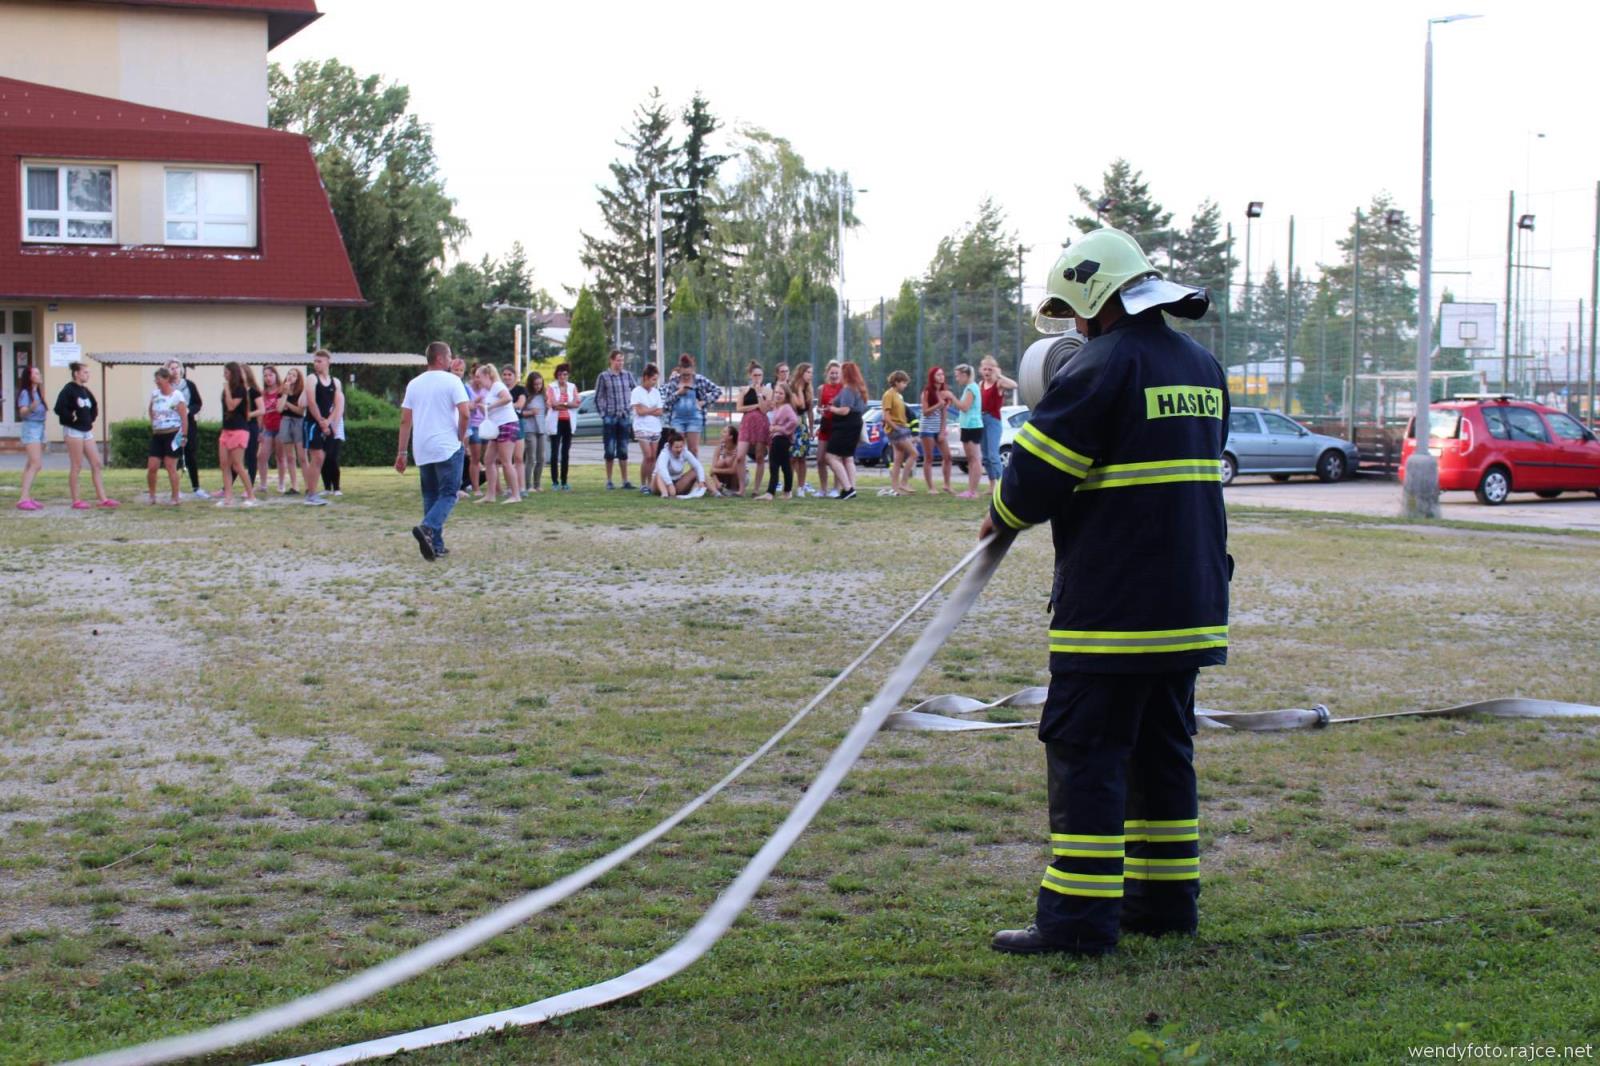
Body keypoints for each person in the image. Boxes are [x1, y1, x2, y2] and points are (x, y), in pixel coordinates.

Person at [981, 226, 1228, 958]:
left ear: (1095, 295)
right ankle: (1164, 904)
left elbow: (1032, 481)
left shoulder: (1100, 368)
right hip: (1188, 606)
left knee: (1087, 754)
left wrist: (996, 515)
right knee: (1163, 754)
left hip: (1114, 610)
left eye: (1075, 311)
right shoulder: (1202, 366)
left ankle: (1078, 923)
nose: (1075, 328)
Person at [397, 341, 471, 561]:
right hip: (447, 445)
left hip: (422, 447)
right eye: (449, 356)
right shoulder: (452, 381)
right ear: (440, 358)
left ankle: (435, 544)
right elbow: (465, 413)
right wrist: (461, 435)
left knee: (430, 494)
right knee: (449, 494)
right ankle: (428, 528)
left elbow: (404, 420)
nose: (451, 360)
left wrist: (401, 452)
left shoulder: (414, 384)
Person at [53, 362, 118, 510]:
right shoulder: (68, 389)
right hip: (73, 431)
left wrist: (90, 418)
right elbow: (59, 408)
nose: (88, 375)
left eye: (88, 372)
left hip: (86, 430)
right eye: (85, 372)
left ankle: (103, 498)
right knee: (77, 465)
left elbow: (93, 406)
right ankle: (76, 500)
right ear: (76, 373)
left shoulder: (85, 391)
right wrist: (71, 417)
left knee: (96, 463)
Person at [474, 363, 521, 503]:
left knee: (506, 461)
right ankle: (490, 495)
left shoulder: (497, 386)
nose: (477, 379)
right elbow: (491, 411)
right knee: (488, 459)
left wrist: (489, 407)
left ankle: (515, 495)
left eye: (479, 376)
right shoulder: (489, 391)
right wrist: (484, 409)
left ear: (487, 375)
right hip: (497, 427)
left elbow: (508, 398)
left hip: (508, 424)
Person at [217, 361, 260, 507]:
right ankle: (228, 497)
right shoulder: (228, 389)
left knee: (237, 465)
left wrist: (227, 389)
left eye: (227, 372)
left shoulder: (241, 389)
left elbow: (231, 406)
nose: (224, 374)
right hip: (226, 429)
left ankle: (251, 495)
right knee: (224, 464)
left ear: (233, 373)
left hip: (239, 430)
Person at [659, 353, 721, 456]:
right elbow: (666, 404)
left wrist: (704, 402)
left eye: (688, 375)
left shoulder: (700, 380)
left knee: (693, 450)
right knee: (678, 449)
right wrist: (678, 393)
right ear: (680, 371)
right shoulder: (674, 381)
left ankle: (695, 471)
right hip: (677, 419)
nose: (686, 377)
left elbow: (717, 391)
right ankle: (677, 471)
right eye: (684, 375)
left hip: (694, 419)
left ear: (693, 370)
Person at [823, 361, 868, 500]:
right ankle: (851, 489)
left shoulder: (848, 389)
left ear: (846, 374)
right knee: (848, 458)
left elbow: (844, 410)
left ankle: (847, 488)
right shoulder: (859, 388)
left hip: (845, 425)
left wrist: (831, 409)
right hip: (855, 423)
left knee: (830, 457)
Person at [302, 349, 342, 507]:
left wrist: (329, 421)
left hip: (326, 423)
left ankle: (312, 492)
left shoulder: (335, 382)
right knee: (317, 457)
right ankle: (311, 493)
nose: (316, 364)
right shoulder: (312, 379)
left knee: (322, 459)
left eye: (319, 361)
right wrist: (320, 421)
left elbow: (337, 404)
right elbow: (311, 402)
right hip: (312, 423)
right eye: (315, 361)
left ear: (328, 362)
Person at [163, 360, 208, 499]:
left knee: (191, 454)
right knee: (173, 455)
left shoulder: (189, 385)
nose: (175, 370)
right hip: (172, 424)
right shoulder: (166, 386)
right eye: (171, 368)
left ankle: (196, 487)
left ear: (181, 369)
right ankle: (176, 489)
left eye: (177, 367)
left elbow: (198, 403)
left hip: (189, 423)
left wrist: (189, 410)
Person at [594, 349, 637, 490]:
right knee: (610, 450)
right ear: (611, 360)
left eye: (622, 360)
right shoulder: (604, 377)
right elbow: (598, 397)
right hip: (610, 417)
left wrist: (631, 408)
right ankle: (609, 480)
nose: (620, 363)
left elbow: (635, 391)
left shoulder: (628, 376)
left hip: (624, 416)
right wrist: (604, 414)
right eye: (618, 360)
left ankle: (625, 480)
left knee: (623, 450)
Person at [146, 367, 188, 505]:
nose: (157, 382)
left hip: (172, 433)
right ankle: (152, 495)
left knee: (171, 466)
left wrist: (184, 435)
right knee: (152, 466)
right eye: (155, 379)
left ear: (167, 379)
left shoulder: (177, 396)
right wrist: (153, 423)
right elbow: (150, 409)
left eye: (159, 379)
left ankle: (175, 496)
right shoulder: (155, 394)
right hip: (158, 435)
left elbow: (184, 417)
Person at [979, 355, 1019, 486]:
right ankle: (992, 485)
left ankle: (1003, 484)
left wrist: (999, 376)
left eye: (990, 369)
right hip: (981, 419)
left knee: (993, 454)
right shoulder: (980, 384)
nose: (987, 372)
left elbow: (1014, 385)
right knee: (985, 456)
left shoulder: (999, 384)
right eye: (985, 369)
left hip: (993, 420)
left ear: (995, 370)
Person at [732, 361, 771, 496]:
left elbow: (765, 409)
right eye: (755, 375)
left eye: (760, 375)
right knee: (740, 456)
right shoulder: (745, 390)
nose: (757, 378)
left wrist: (760, 395)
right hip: (747, 424)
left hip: (761, 424)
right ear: (750, 375)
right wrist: (754, 406)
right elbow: (739, 408)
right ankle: (741, 489)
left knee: (760, 457)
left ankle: (756, 489)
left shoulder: (767, 390)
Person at [15, 365, 47, 510]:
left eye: (39, 373)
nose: (39, 375)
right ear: (30, 377)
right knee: (36, 464)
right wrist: (31, 407)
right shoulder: (25, 393)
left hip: (40, 427)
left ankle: (26, 496)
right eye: (36, 373)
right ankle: (23, 498)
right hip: (31, 428)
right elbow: (22, 412)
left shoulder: (38, 392)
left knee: (30, 464)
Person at [758, 382, 797, 500]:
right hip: (780, 439)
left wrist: (780, 429)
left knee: (774, 465)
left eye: (781, 393)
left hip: (780, 439)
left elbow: (794, 421)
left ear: (786, 395)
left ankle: (770, 492)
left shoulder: (786, 407)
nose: (778, 395)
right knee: (785, 466)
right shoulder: (779, 407)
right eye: (776, 392)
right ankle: (787, 492)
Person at [920, 367, 955, 494]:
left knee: (948, 456)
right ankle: (931, 487)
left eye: (942, 374)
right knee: (929, 458)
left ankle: (947, 484)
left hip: (938, 428)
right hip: (927, 428)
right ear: (932, 377)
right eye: (938, 374)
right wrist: (937, 405)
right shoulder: (927, 392)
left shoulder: (944, 392)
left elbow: (944, 414)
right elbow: (925, 412)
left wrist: (942, 431)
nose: (941, 376)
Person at [951, 364, 984, 498]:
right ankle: (970, 490)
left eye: (958, 376)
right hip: (967, 426)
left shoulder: (971, 388)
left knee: (974, 459)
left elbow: (964, 407)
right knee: (970, 459)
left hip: (973, 426)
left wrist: (951, 397)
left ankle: (973, 491)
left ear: (965, 375)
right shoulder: (968, 388)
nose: (957, 379)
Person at [882, 370, 917, 495]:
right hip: (896, 430)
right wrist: (896, 428)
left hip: (901, 427)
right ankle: (904, 482)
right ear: (896, 382)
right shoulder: (888, 395)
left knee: (898, 459)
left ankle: (895, 487)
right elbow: (886, 415)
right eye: (903, 383)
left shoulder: (898, 396)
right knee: (914, 453)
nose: (905, 385)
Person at [631, 364, 664, 493]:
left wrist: (647, 410)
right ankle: (643, 483)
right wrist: (651, 410)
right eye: (653, 379)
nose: (655, 383)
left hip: (655, 428)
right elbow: (639, 411)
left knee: (653, 457)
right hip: (641, 428)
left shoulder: (656, 392)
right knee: (648, 456)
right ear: (646, 377)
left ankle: (651, 483)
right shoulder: (636, 392)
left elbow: (660, 411)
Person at [546, 363, 579, 490]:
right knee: (555, 453)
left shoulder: (572, 387)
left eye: (565, 374)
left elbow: (576, 403)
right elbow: (553, 404)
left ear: (568, 375)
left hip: (568, 422)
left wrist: (563, 403)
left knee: (566, 452)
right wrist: (568, 404)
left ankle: (564, 481)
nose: (562, 376)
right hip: (556, 422)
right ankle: (555, 481)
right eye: (559, 374)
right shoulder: (551, 387)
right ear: (556, 375)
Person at [651, 427, 707, 498]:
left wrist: (702, 480)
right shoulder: (665, 453)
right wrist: (669, 484)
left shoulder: (685, 452)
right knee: (659, 473)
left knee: (696, 471)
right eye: (676, 447)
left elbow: (698, 466)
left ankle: (715, 493)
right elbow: (662, 469)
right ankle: (664, 494)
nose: (679, 449)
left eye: (681, 446)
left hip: (676, 483)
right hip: (659, 484)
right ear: (670, 447)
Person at [815, 361, 842, 496]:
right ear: (827, 373)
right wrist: (821, 410)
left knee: (836, 459)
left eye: (837, 373)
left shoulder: (843, 388)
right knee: (820, 458)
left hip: (838, 427)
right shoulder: (822, 388)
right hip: (825, 425)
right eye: (832, 373)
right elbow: (819, 407)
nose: (834, 375)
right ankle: (823, 489)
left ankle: (836, 488)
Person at [278, 367, 307, 495]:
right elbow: (279, 409)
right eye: (289, 374)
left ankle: (308, 485)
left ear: (298, 378)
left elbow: (300, 411)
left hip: (299, 423)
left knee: (302, 457)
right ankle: (295, 486)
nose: (290, 376)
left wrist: (288, 405)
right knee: (290, 457)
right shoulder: (282, 391)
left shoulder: (302, 391)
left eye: (293, 375)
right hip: (285, 422)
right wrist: (284, 393)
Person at [788, 363, 815, 496]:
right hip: (793, 423)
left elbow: (809, 410)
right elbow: (800, 404)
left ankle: (801, 487)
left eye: (811, 373)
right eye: (808, 372)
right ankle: (788, 486)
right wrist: (799, 388)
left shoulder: (809, 389)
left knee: (802, 458)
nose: (810, 375)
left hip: (803, 424)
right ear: (801, 373)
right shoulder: (792, 387)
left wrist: (811, 428)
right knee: (792, 457)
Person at [255, 366, 282, 494]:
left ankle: (281, 484)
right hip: (267, 428)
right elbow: (261, 414)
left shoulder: (281, 391)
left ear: (276, 375)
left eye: (270, 375)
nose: (268, 378)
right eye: (265, 375)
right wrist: (260, 430)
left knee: (280, 457)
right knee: (261, 456)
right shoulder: (262, 393)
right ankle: (263, 485)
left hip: (281, 427)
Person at [520, 370, 549, 493]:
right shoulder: (527, 396)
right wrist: (531, 413)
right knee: (530, 458)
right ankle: (528, 485)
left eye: (540, 384)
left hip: (541, 430)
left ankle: (537, 484)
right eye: (536, 384)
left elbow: (546, 412)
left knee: (541, 458)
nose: (538, 386)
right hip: (530, 429)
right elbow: (520, 413)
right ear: (531, 384)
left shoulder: (544, 396)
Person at [505, 365, 529, 490]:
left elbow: (520, 404)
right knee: (506, 459)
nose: (507, 377)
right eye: (505, 374)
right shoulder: (501, 389)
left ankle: (522, 487)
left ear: (515, 376)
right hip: (504, 424)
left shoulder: (520, 389)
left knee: (519, 457)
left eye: (510, 374)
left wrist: (504, 404)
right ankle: (510, 487)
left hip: (517, 423)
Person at [709, 423, 741, 496]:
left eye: (724, 432)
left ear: (731, 437)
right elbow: (712, 469)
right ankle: (719, 487)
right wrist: (717, 482)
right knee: (721, 463)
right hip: (726, 475)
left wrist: (715, 470)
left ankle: (733, 489)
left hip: (739, 477)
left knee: (726, 461)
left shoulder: (738, 448)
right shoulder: (720, 447)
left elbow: (733, 470)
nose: (721, 433)